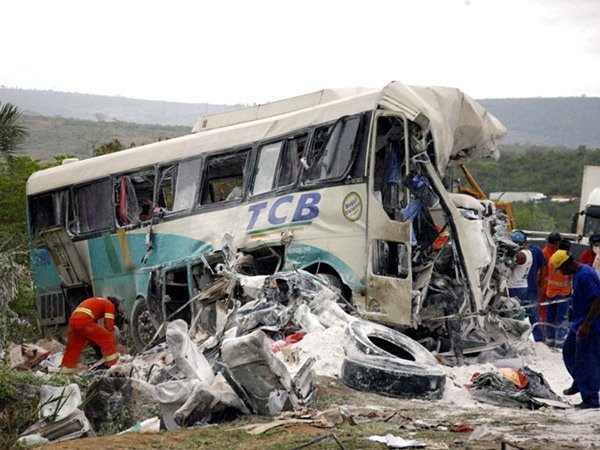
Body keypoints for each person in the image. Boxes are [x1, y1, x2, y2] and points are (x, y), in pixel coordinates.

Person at [549, 250, 600, 409]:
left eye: (562, 269)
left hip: (590, 324)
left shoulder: (585, 275)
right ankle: (579, 380)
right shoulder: (577, 274)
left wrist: (586, 324)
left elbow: (598, 299)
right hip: (578, 322)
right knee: (568, 349)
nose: (562, 273)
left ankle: (590, 398)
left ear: (567, 264)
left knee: (586, 361)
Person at [60, 296, 121, 374]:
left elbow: (92, 334)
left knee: (73, 348)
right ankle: (115, 365)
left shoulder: (97, 302)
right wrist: (113, 342)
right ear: (114, 305)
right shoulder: (109, 305)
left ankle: (65, 373)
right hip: (83, 320)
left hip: (73, 321)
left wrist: (96, 347)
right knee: (107, 338)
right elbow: (109, 326)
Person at [507, 230, 543, 340]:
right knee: (519, 313)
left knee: (514, 316)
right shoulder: (529, 252)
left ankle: (517, 338)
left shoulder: (521, 255)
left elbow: (509, 268)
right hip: (522, 285)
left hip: (515, 287)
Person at [540, 232, 572, 347]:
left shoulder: (551, 255)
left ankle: (549, 339)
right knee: (562, 318)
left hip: (550, 291)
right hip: (562, 292)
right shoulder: (566, 257)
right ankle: (559, 341)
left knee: (549, 316)